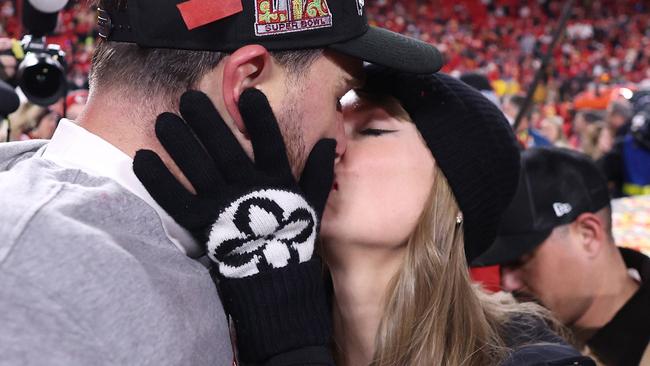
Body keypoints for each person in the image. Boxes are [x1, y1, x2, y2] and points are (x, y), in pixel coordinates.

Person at [0, 1, 443, 365]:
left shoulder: (163, 238)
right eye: (337, 98)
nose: (340, 143)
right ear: (246, 84)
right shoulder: (37, 280)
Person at [314, 69, 594, 365]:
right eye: (331, 129)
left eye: (372, 131)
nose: (332, 146)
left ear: (454, 188)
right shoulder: (271, 335)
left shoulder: (531, 357)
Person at [473, 147, 650, 366]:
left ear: (587, 235)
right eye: (502, 264)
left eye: (521, 259)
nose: (507, 282)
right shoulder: (505, 334)